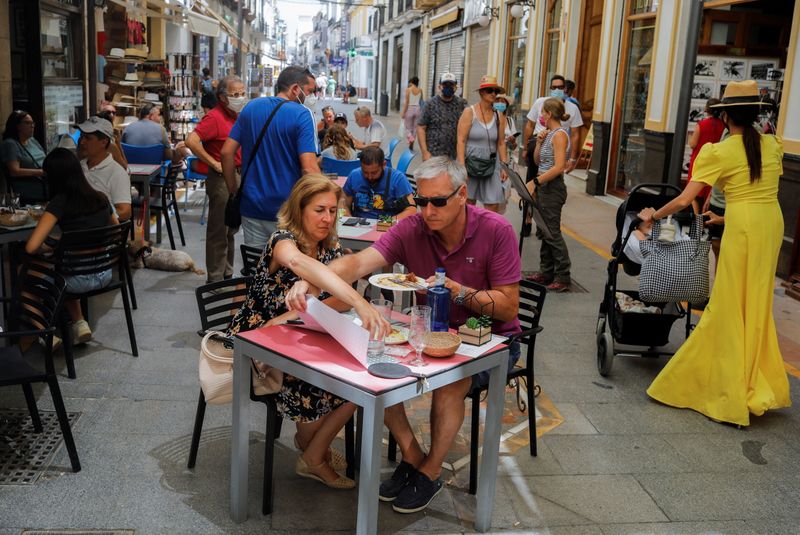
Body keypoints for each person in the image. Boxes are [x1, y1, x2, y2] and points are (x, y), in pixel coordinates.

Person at [285, 157, 521, 513]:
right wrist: (311, 278)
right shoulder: (413, 227)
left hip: (487, 341)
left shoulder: (496, 230)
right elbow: (358, 263)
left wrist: (455, 290)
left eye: (438, 201)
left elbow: (508, 308)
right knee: (375, 370)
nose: (428, 211)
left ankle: (429, 471)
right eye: (421, 201)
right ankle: (413, 455)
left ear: (462, 194)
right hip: (426, 331)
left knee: (449, 385)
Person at [639, 80, 790, 427]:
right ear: (755, 114)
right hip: (769, 224)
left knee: (728, 303)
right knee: (755, 301)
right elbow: (760, 193)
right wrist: (725, 215)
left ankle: (731, 386)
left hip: (745, 227)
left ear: (724, 116)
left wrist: (653, 214)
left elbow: (682, 199)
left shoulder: (718, 151)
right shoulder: (771, 144)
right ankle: (756, 379)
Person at [226, 174, 389, 489]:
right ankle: (315, 453)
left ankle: (314, 451)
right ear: (299, 209)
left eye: (332, 210)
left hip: (300, 333)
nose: (328, 218)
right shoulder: (282, 240)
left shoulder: (330, 246)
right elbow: (301, 265)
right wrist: (356, 300)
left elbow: (339, 302)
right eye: (319, 210)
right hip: (260, 341)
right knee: (322, 381)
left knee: (363, 376)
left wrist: (294, 313)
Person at [221, 65, 321, 249]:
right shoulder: (302, 115)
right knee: (287, 270)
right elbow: (308, 168)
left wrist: (233, 190)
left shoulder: (250, 108)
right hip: (287, 210)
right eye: (309, 91)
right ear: (295, 89)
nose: (311, 97)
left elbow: (226, 152)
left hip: (252, 206)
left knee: (255, 268)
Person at [25, 148, 117, 346]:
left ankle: (45, 335)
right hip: (104, 274)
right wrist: (63, 245)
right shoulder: (101, 198)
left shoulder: (59, 202)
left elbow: (31, 247)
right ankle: (79, 322)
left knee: (26, 278)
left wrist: (51, 247)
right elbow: (116, 230)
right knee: (65, 267)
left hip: (75, 281)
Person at [184, 75, 245, 284]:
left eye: (242, 94)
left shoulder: (238, 115)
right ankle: (216, 279)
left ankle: (227, 273)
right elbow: (191, 141)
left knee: (231, 229)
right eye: (235, 94)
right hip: (221, 179)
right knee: (219, 230)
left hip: (237, 176)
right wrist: (213, 162)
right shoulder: (215, 118)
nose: (240, 98)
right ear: (222, 97)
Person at [521, 75, 583, 236]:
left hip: (556, 145)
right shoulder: (540, 102)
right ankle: (527, 219)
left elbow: (576, 134)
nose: (556, 90)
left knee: (545, 185)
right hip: (539, 140)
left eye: (559, 87)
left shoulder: (571, 110)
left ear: (565, 89)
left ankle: (543, 225)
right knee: (532, 185)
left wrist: (573, 159)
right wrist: (526, 146)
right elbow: (529, 125)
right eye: (553, 87)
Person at [525, 98, 573, 292]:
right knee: (545, 230)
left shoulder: (560, 135)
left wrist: (536, 182)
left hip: (552, 187)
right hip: (543, 185)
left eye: (542, 113)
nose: (540, 116)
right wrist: (538, 143)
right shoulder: (548, 134)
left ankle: (563, 275)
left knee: (552, 232)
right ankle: (546, 272)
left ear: (550, 114)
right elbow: (537, 160)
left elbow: (559, 166)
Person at [456, 75, 508, 213]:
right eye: (490, 90)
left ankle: (488, 234)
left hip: (491, 165)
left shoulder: (499, 116)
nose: (493, 94)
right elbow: (461, 140)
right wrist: (461, 166)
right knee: (467, 205)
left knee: (492, 207)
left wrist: (505, 166)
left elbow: (501, 142)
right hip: (470, 164)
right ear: (482, 92)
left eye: (496, 91)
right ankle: (467, 233)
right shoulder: (469, 112)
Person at [77, 117, 132, 221]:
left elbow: (125, 212)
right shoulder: (78, 166)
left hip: (96, 232)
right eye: (81, 136)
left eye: (88, 138)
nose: (82, 142)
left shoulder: (116, 173)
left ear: (103, 142)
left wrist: (89, 217)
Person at [342, 146, 415, 220]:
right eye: (365, 172)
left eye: (374, 173)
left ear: (384, 165)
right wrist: (349, 219)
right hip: (359, 224)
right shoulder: (354, 175)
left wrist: (387, 222)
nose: (369, 177)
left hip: (388, 225)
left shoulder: (398, 179)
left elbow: (411, 210)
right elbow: (343, 204)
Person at [417, 72, 467, 161]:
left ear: (456, 87)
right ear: (439, 86)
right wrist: (424, 152)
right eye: (445, 84)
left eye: (451, 84)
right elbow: (421, 127)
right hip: (433, 155)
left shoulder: (462, 104)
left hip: (454, 157)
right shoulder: (430, 104)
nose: (448, 87)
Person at [687, 98, 725, 211]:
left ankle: (696, 221)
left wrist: (690, 138)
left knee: (693, 193)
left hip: (699, 161)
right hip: (715, 162)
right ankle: (706, 220)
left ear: (707, 110)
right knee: (709, 192)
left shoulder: (701, 124)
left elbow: (693, 144)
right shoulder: (724, 127)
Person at [1, 110, 46, 180]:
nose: (32, 126)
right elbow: (14, 171)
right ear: (17, 126)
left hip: (45, 179)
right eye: (27, 123)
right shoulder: (10, 144)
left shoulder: (32, 140)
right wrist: (41, 172)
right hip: (33, 183)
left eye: (33, 123)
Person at [493, 93, 517, 214]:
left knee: (504, 194)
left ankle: (499, 220)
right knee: (492, 195)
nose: (501, 103)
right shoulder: (490, 119)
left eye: (503, 101)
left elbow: (514, 147)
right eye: (498, 100)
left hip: (506, 161)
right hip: (492, 161)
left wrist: (512, 141)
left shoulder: (510, 121)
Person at [401, 77, 423, 150]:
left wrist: (403, 112)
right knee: (414, 128)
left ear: (411, 82)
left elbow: (407, 102)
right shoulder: (420, 90)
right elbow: (421, 101)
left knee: (407, 127)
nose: (409, 84)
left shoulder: (408, 90)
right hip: (418, 109)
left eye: (409, 82)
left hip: (410, 108)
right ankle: (412, 144)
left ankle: (411, 139)